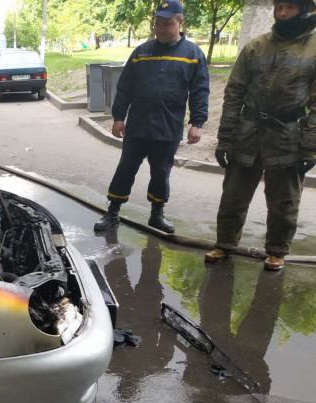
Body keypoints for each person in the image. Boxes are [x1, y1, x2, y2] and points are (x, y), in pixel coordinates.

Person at [205, 0, 316, 271]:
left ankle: (277, 251)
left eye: (290, 7)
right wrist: (226, 137)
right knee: (233, 195)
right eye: (280, 7)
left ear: (304, 10)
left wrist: (311, 144)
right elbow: (233, 94)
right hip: (247, 133)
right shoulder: (255, 46)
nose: (284, 13)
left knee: (284, 200)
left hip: (287, 135)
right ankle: (225, 244)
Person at [93, 0, 209, 234]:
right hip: (138, 126)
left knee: (161, 173)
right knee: (125, 168)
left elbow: (199, 90)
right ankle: (113, 212)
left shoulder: (193, 54)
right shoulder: (142, 52)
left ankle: (157, 214)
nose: (161, 29)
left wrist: (197, 123)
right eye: (157, 24)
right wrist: (118, 117)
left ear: (180, 22)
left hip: (168, 128)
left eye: (167, 24)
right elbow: (124, 86)